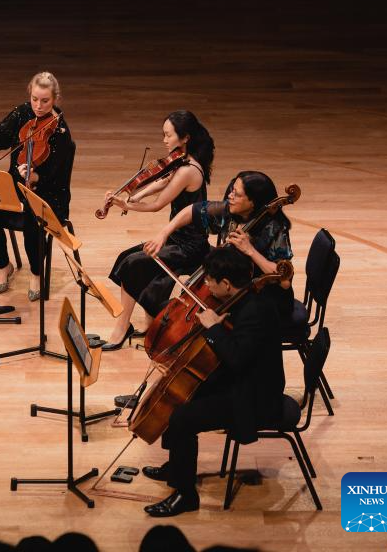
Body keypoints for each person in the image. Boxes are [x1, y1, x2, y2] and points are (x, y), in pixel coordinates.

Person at [141, 247, 286, 517]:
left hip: (255, 398)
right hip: (243, 380)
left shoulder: (256, 311)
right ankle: (176, 468)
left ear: (227, 284)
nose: (205, 285)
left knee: (183, 417)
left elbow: (236, 359)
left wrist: (214, 328)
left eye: (209, 281)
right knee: (182, 392)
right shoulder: (244, 299)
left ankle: (185, 495)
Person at [103, 110, 215, 350]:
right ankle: (146, 322)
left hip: (189, 246)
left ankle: (122, 329)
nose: (164, 140)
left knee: (134, 265)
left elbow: (157, 205)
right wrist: (131, 195)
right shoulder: (182, 160)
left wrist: (128, 205)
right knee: (127, 258)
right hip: (177, 238)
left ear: (184, 138)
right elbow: (161, 181)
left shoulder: (188, 170)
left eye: (168, 135)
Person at [144, 170, 295, 325]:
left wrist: (250, 251)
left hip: (264, 301)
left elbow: (284, 282)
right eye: (232, 190)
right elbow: (191, 211)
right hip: (232, 293)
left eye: (237, 194)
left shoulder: (274, 228)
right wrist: (163, 234)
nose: (230, 196)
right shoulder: (229, 212)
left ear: (253, 202)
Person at [0, 71, 74, 301]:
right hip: (15, 186)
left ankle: (36, 272)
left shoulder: (61, 133)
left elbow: (57, 177)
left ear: (55, 100)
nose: (38, 106)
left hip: (50, 194)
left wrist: (35, 178)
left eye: (45, 101)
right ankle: (4, 266)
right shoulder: (22, 114)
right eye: (34, 99)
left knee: (33, 220)